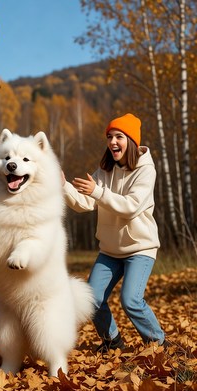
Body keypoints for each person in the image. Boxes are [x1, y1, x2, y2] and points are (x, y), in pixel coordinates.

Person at [62, 113, 166, 352]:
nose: (112, 142)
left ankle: (158, 344)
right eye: (109, 137)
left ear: (131, 140)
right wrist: (64, 185)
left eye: (119, 136)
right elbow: (84, 203)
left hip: (140, 248)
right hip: (110, 250)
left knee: (131, 301)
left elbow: (130, 207)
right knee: (92, 300)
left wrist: (98, 192)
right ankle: (112, 342)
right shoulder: (105, 170)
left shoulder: (145, 171)